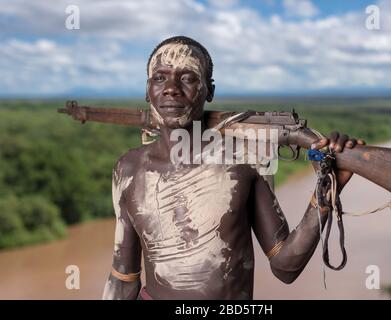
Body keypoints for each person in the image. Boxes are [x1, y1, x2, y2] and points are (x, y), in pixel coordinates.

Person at [102, 36, 364, 300]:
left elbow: (286, 267)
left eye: (188, 78)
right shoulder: (128, 169)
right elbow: (123, 278)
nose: (171, 88)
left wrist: (326, 192)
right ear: (147, 89)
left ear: (209, 91)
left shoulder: (244, 160)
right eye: (160, 78)